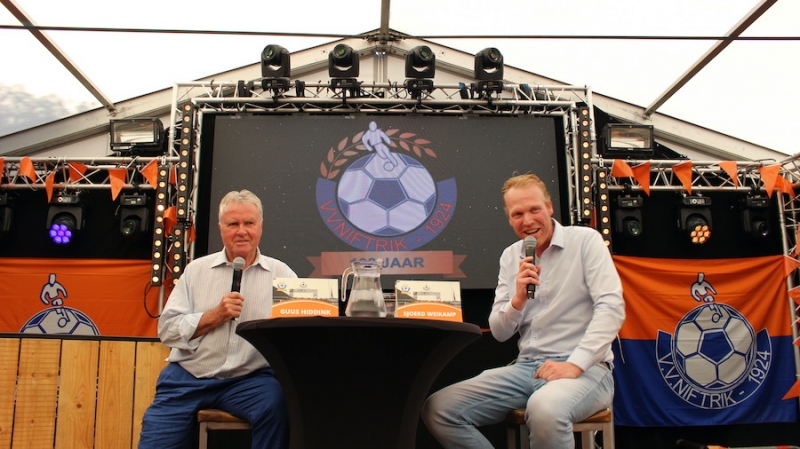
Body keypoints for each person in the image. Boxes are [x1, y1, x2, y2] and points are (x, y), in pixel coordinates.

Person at [422, 173, 625, 449]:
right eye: (518, 214)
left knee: (545, 410)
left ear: (549, 207)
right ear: (509, 219)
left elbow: (611, 307)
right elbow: (500, 332)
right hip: (527, 368)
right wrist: (518, 299)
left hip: (586, 368)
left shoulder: (585, 241)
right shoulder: (510, 256)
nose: (527, 221)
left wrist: (575, 364)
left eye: (534, 210)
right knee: (439, 409)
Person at [139, 189, 297, 449]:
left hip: (249, 380)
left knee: (276, 405)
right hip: (188, 377)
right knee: (156, 443)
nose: (241, 231)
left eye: (249, 223)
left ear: (260, 227)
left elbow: (297, 333)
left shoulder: (282, 275)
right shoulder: (196, 271)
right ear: (221, 228)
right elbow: (167, 331)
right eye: (233, 224)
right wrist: (214, 316)